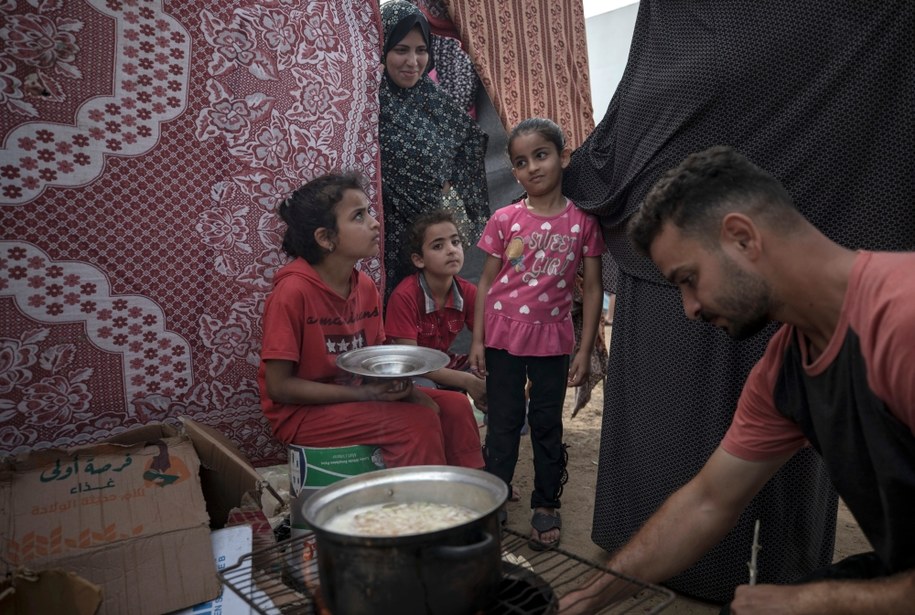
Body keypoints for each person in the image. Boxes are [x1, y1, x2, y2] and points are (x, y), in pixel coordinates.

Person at [562, 2, 915, 602]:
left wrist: (818, 602)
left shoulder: (902, 322)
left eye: (689, 279)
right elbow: (705, 502)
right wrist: (590, 596)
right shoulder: (788, 369)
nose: (690, 308)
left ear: (743, 238)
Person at [257, 173, 483, 470]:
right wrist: (364, 393)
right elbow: (279, 387)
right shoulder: (292, 292)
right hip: (303, 413)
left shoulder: (364, 286)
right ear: (326, 238)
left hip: (359, 396)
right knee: (417, 422)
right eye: (359, 216)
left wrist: (410, 393)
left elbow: (378, 360)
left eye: (370, 212)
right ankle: (423, 508)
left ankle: (469, 493)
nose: (375, 223)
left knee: (453, 406)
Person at [469, 118, 604, 550]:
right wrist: (476, 340)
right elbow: (487, 284)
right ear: (514, 172)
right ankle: (494, 500)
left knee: (547, 424)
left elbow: (595, 287)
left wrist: (585, 349)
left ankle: (547, 505)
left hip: (553, 340)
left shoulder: (582, 223)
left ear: (562, 157)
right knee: (503, 424)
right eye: (521, 162)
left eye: (541, 155)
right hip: (502, 336)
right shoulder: (505, 218)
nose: (532, 168)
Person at [378, 0, 489, 299]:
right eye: (401, 50)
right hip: (379, 240)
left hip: (427, 243)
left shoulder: (434, 101)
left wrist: (451, 190)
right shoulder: (367, 102)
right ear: (382, 47)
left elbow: (469, 140)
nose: (413, 61)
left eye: (421, 50)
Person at [384, 209, 487, 411]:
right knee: (427, 394)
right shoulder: (405, 296)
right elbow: (412, 362)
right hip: (409, 372)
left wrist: (479, 349)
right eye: (438, 246)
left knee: (498, 371)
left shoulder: (468, 292)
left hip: (444, 362)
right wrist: (467, 381)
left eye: (455, 242)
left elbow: (486, 336)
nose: (451, 250)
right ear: (419, 260)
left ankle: (501, 432)